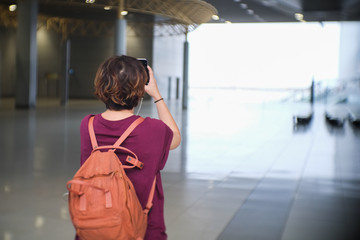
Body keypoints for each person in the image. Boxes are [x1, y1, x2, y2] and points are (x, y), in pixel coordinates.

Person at [78, 55, 181, 239]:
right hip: (141, 229)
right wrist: (157, 95)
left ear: (101, 86)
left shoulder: (87, 125)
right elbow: (175, 139)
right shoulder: (153, 129)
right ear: (140, 89)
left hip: (95, 228)